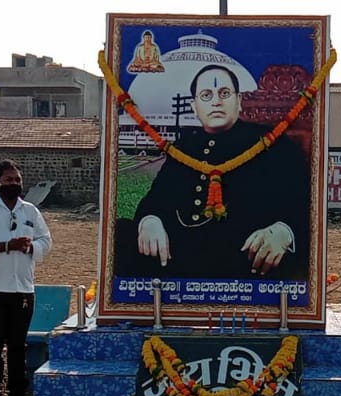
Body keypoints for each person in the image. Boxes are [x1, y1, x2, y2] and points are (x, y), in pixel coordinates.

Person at [131, 65, 310, 279]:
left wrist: (284, 231)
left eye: (224, 93)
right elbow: (155, 200)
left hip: (245, 269)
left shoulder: (271, 144)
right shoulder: (183, 149)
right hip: (179, 267)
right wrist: (150, 221)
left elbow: (303, 201)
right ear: (194, 106)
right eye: (206, 95)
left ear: (239, 100)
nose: (216, 101)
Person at [0, 160, 52, 396]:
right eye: (8, 180)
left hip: (23, 288)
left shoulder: (29, 210)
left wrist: (31, 247)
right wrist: (8, 245)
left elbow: (46, 241)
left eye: (17, 179)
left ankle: (18, 393)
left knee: (18, 345)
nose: (14, 184)